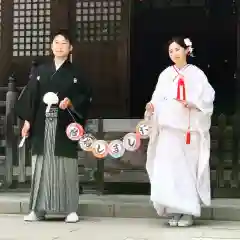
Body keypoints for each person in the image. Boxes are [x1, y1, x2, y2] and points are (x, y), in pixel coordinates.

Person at [15, 30, 92, 223]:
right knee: (41, 165)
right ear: (51, 46)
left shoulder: (77, 73)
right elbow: (31, 96)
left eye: (64, 43)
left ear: (70, 47)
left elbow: (85, 97)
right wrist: (27, 120)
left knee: (65, 166)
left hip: (64, 125)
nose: (59, 46)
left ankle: (70, 209)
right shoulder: (40, 71)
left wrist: (71, 102)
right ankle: (37, 209)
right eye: (56, 42)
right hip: (42, 123)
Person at [145, 37, 215, 227]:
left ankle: (188, 211)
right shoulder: (165, 74)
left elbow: (208, 97)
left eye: (177, 49)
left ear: (186, 50)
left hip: (187, 131)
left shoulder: (196, 74)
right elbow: (157, 98)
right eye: (170, 51)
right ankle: (173, 210)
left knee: (186, 172)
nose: (174, 54)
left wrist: (195, 104)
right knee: (168, 171)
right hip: (168, 131)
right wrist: (151, 107)